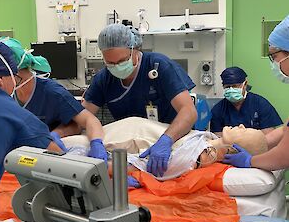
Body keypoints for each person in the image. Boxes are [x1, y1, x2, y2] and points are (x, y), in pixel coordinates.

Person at [82, 24, 198, 177]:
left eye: (122, 61)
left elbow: (188, 112)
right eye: (110, 63)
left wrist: (166, 140)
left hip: (169, 140)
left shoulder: (159, 66)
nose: (117, 67)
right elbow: (83, 116)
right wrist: (94, 143)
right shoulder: (104, 79)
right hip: (130, 147)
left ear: (135, 49)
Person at [0, 39, 64, 222]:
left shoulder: (51, 90)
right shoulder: (13, 114)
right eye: (14, 77)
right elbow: (64, 164)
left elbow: (85, 119)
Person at [64, 117, 268, 187]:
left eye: (246, 131)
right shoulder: (208, 140)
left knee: (72, 152)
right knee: (75, 146)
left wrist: (111, 172)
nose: (241, 125)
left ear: (234, 149)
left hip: (129, 151)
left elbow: (147, 167)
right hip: (137, 132)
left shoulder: (196, 157)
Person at [0, 37, 107, 162]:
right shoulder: (8, 93)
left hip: (52, 154)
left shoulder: (52, 92)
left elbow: (86, 121)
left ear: (14, 73)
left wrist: (96, 144)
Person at [222, 15, 289, 171]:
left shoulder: (259, 103)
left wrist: (250, 160)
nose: (273, 64)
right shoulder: (220, 109)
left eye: (274, 56)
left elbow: (284, 156)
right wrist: (255, 143)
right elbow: (284, 129)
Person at [210, 66, 283, 135]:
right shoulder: (218, 110)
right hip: (230, 148)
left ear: (245, 84)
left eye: (235, 86)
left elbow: (270, 136)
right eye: (227, 87)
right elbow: (218, 139)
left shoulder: (260, 104)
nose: (231, 89)